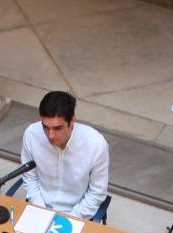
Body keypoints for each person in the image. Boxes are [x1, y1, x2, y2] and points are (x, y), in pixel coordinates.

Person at [17, 91, 109, 222]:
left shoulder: (96, 145)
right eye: (45, 127)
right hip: (40, 207)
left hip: (77, 214)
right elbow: (29, 177)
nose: (50, 135)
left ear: (72, 121)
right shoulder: (32, 134)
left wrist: (70, 219)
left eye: (57, 128)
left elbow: (97, 193)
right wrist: (41, 211)